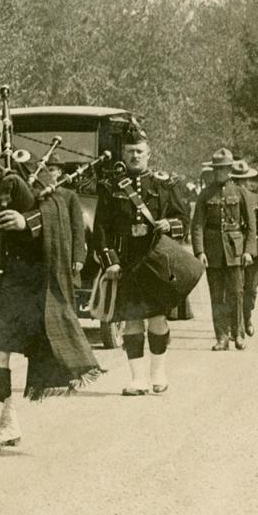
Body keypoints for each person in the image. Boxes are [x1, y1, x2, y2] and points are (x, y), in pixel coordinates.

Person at [0, 101, 100, 456]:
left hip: (20, 278)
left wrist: (25, 222)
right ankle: (3, 423)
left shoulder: (28, 165)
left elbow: (60, 208)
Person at [90, 131, 191, 395]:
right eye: (130, 152)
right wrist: (109, 260)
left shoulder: (165, 185)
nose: (135, 156)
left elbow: (184, 220)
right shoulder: (112, 187)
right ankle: (137, 379)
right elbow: (100, 228)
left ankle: (158, 373)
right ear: (123, 154)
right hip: (126, 263)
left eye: (139, 152)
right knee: (132, 322)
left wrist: (170, 224)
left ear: (149, 154)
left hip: (157, 261)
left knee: (158, 320)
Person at [191, 148, 257, 351]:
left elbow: (251, 226)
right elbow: (197, 225)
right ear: (213, 171)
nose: (221, 173)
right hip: (213, 253)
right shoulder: (205, 194)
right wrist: (200, 252)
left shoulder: (240, 192)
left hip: (235, 250)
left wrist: (248, 251)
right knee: (216, 295)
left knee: (237, 293)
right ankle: (221, 337)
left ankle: (238, 334)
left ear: (230, 170)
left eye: (225, 169)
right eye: (218, 169)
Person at [233, 161, 258, 337]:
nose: (241, 184)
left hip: (254, 252)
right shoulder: (228, 197)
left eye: (244, 180)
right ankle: (237, 326)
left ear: (249, 180)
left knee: (251, 289)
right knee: (235, 289)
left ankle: (247, 317)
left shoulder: (257, 198)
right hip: (233, 250)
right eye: (236, 180)